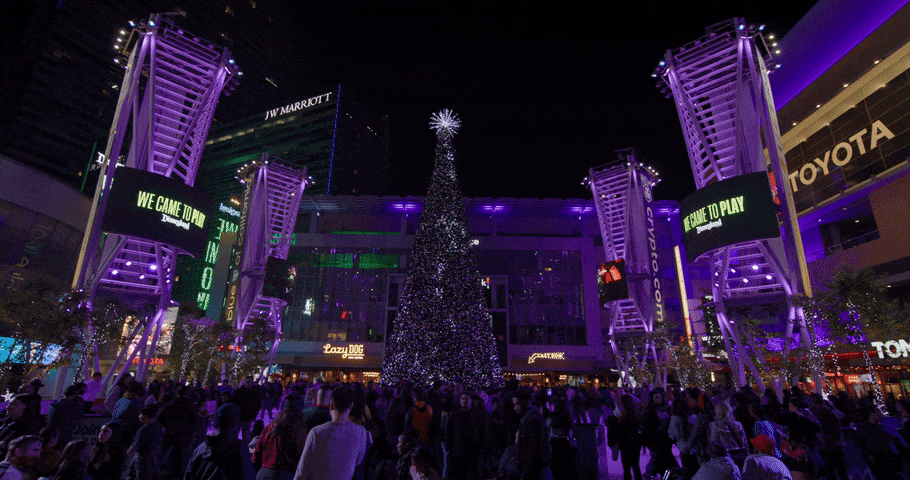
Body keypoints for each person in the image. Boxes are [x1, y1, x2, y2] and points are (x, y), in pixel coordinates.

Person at [293, 385, 369, 480]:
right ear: (351, 406)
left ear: (331, 404)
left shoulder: (317, 432)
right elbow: (358, 461)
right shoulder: (361, 432)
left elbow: (302, 469)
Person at [253, 392, 307, 480]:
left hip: (263, 473)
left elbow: (257, 453)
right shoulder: (298, 430)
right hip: (283, 475)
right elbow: (300, 456)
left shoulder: (269, 427)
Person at [127, 403, 163, 480]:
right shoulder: (158, 426)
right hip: (153, 459)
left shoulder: (143, 430)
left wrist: (128, 453)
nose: (139, 417)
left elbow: (135, 446)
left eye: (140, 414)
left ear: (145, 416)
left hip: (142, 459)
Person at [612, 394, 642, 480]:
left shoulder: (625, 415)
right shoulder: (636, 412)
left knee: (627, 467)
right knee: (635, 466)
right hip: (635, 443)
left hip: (626, 443)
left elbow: (622, 429)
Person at [46, 384, 84, 449]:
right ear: (75, 394)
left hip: (51, 435)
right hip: (64, 435)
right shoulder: (72, 406)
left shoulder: (54, 405)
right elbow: (79, 416)